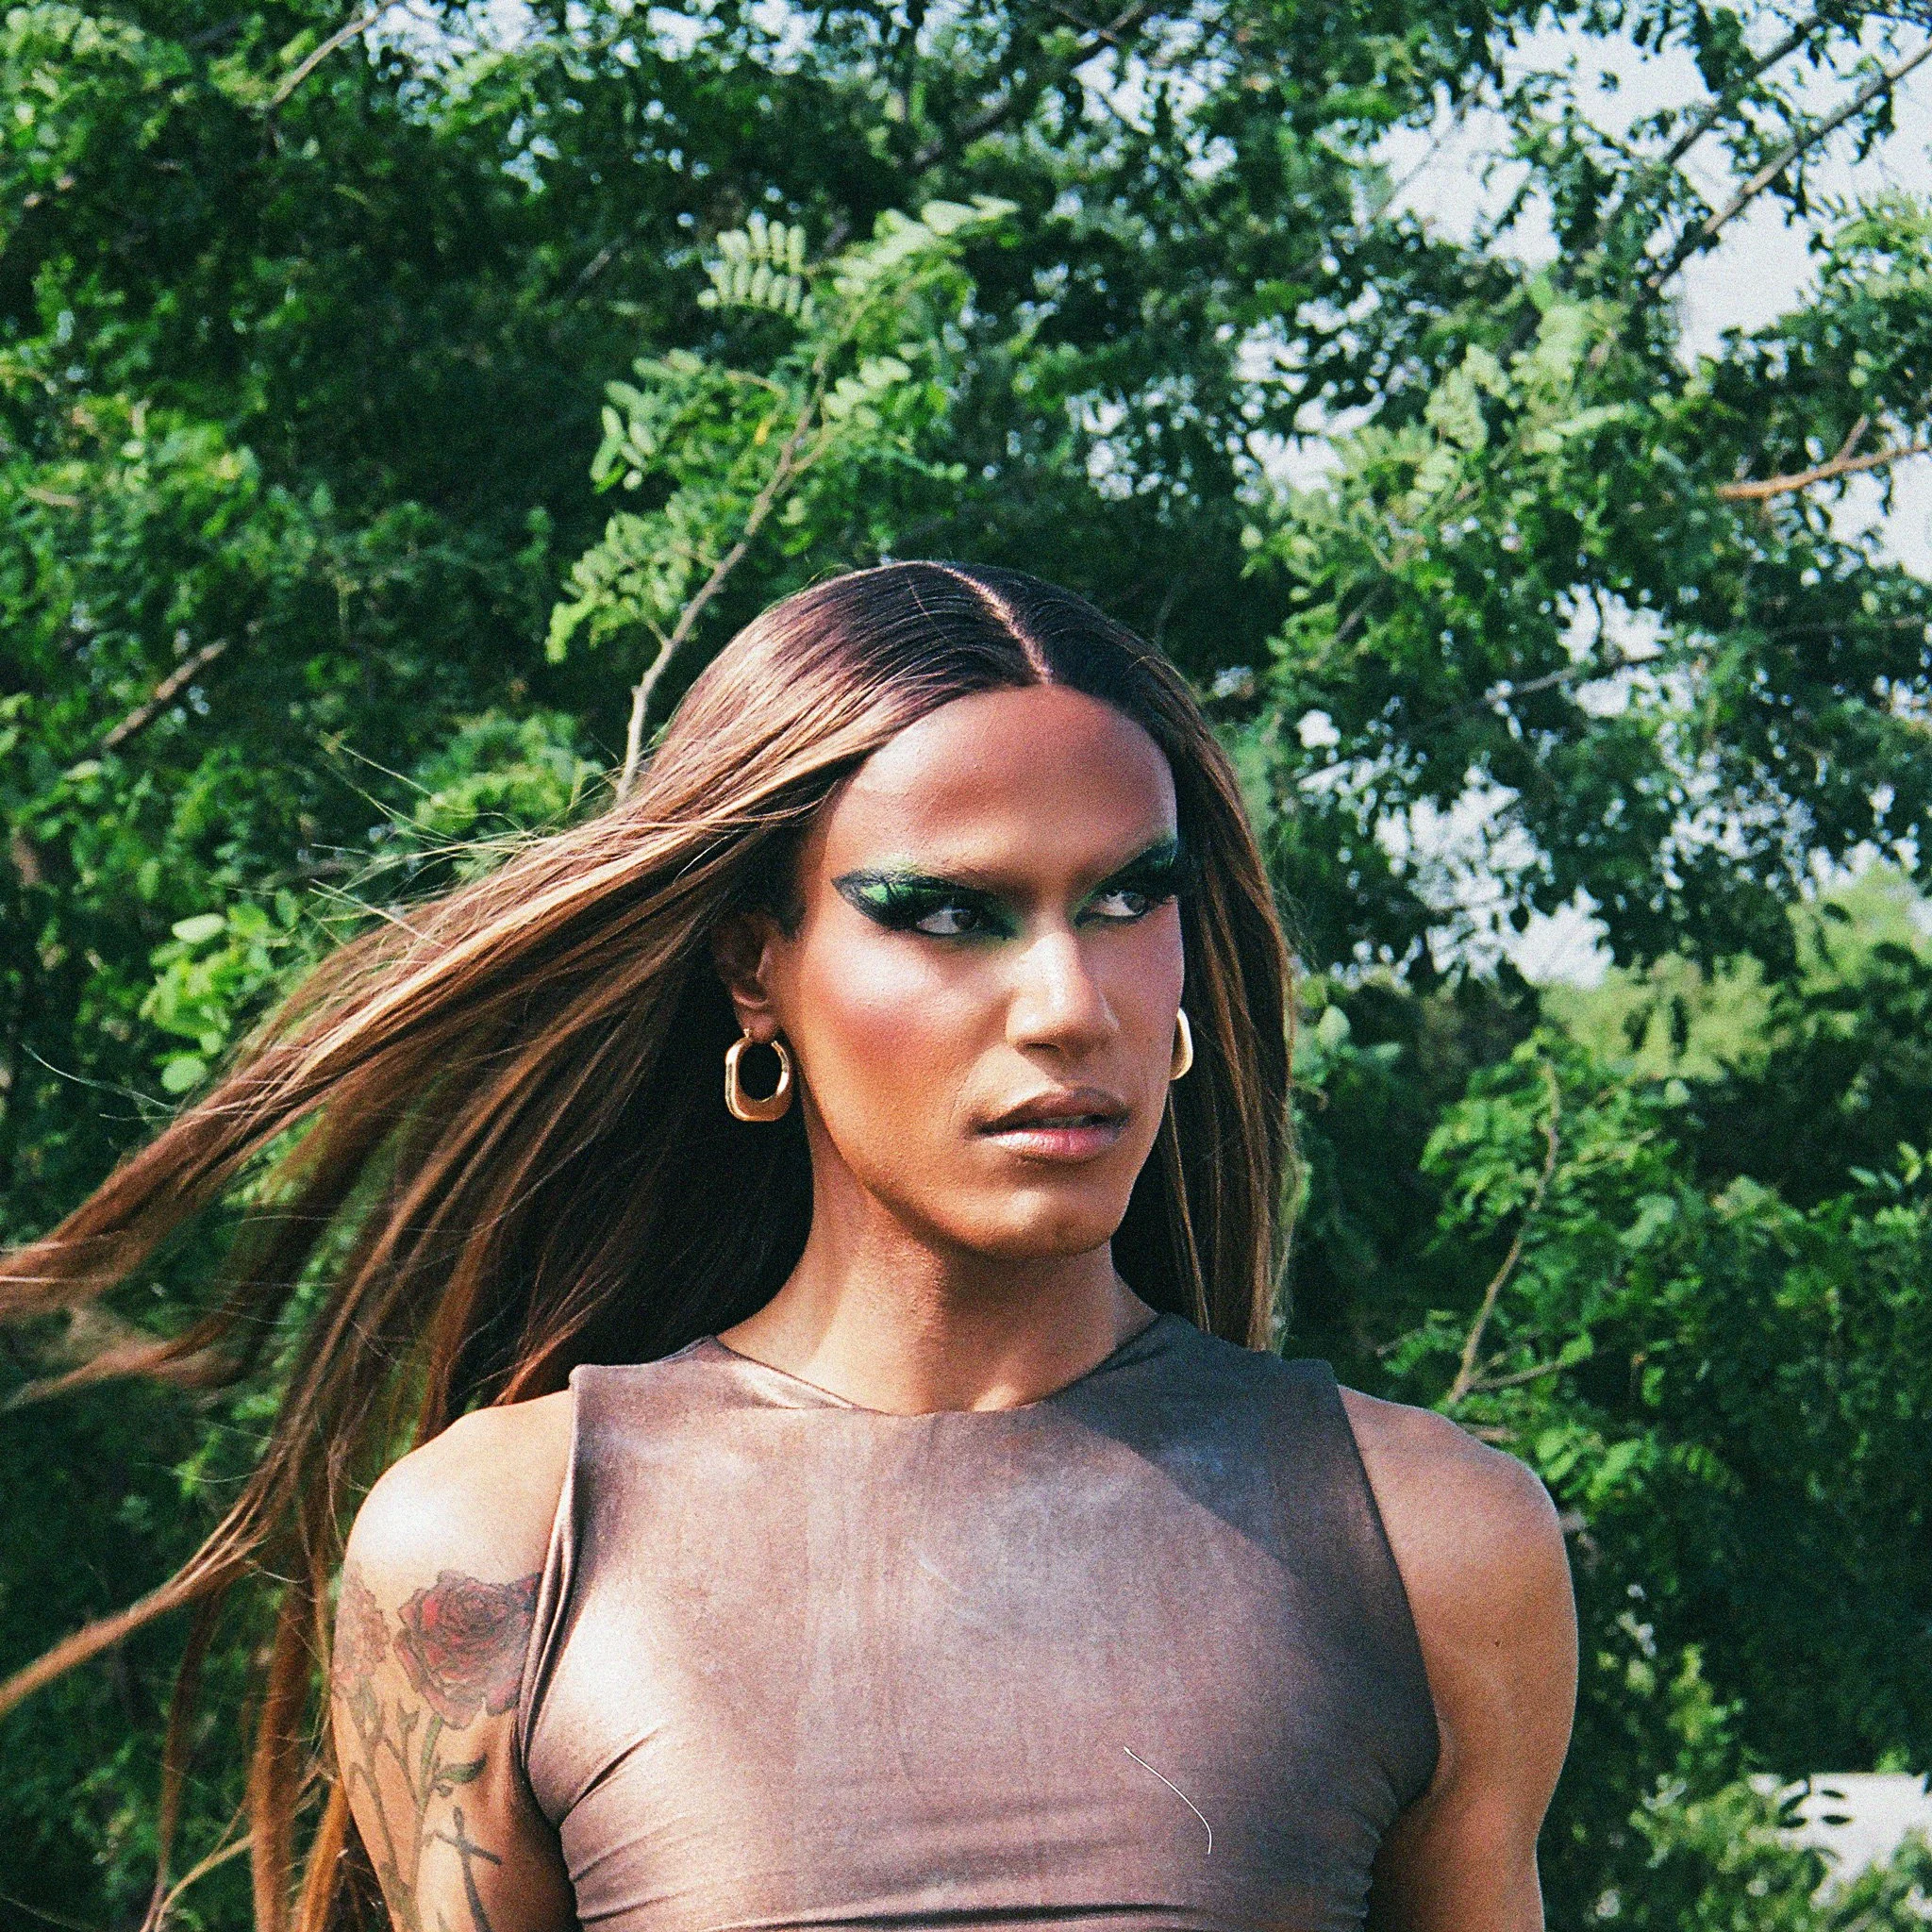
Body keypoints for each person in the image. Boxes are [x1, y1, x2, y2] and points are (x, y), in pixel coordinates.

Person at [1, 563, 1574, 1932]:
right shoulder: (499, 1555)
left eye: (1124, 900)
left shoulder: (1436, 1550)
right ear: (756, 967)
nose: (1069, 1005)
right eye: (948, 913)